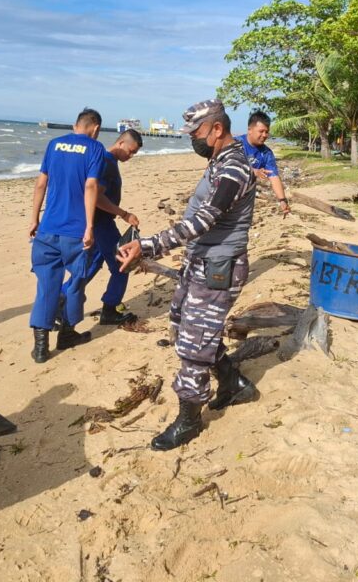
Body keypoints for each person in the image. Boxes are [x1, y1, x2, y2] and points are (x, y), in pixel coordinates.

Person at [118, 99, 259, 451]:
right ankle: (233, 384)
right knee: (185, 327)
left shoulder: (234, 170)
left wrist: (148, 246)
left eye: (196, 132)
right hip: (201, 263)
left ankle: (189, 420)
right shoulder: (219, 161)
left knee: (194, 347)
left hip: (218, 269)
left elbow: (201, 221)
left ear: (216, 129)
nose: (192, 139)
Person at [28, 108, 106, 363]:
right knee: (75, 283)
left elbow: (41, 183)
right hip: (75, 231)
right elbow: (91, 186)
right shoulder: (95, 149)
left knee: (46, 285)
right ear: (94, 128)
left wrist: (34, 218)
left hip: (48, 229)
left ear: (75, 125)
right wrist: (90, 227)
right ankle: (67, 334)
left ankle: (41, 347)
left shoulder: (54, 144)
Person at [85, 129, 143, 326]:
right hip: (102, 224)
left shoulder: (109, 161)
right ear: (120, 143)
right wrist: (124, 214)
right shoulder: (107, 162)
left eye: (134, 153)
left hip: (98, 223)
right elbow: (96, 197)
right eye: (130, 151)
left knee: (90, 266)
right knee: (122, 265)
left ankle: (62, 301)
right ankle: (110, 309)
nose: (131, 156)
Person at [236, 110, 290, 216]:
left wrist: (282, 200)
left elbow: (273, 176)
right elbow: (223, 166)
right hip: (225, 192)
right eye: (261, 131)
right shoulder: (235, 144)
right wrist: (252, 171)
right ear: (250, 130)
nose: (264, 135)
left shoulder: (266, 153)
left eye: (266, 132)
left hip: (246, 198)